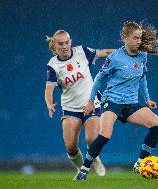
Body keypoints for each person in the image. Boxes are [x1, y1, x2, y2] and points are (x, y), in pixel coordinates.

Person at [74, 21, 158, 180]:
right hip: (112, 102)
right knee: (105, 135)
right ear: (125, 38)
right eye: (135, 38)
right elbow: (99, 78)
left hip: (131, 104)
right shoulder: (115, 58)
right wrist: (90, 101)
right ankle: (84, 169)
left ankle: (140, 163)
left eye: (140, 38)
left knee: (157, 126)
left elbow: (142, 77)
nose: (138, 41)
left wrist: (147, 99)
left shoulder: (143, 55)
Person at [44, 30, 114, 177]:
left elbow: (105, 52)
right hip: (70, 108)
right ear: (54, 46)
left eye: (67, 42)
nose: (64, 46)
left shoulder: (82, 52)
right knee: (70, 147)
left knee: (91, 139)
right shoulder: (53, 65)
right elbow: (49, 89)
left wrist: (125, 52)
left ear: (71, 42)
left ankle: (95, 159)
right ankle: (79, 168)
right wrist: (49, 103)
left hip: (91, 102)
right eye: (60, 43)